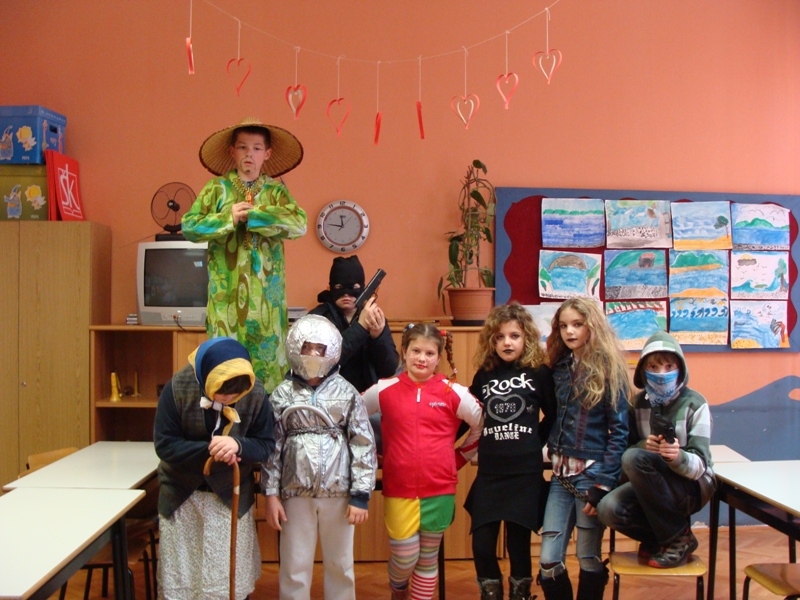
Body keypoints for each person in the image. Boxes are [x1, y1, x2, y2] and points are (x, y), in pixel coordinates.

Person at [182, 116, 307, 393]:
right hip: (225, 300)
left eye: (256, 148)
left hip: (268, 302)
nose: (249, 154)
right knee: (224, 367)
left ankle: (265, 419)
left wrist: (257, 216)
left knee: (269, 370)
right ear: (232, 151)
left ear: (267, 154)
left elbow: (299, 225)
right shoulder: (216, 188)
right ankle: (224, 417)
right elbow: (189, 226)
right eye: (242, 147)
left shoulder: (276, 191)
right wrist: (228, 217)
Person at [362, 323, 484, 600]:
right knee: (405, 557)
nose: (422, 358)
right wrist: (369, 452)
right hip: (399, 489)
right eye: (416, 351)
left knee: (428, 558)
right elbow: (352, 416)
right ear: (404, 352)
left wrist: (459, 458)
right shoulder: (384, 389)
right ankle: (398, 591)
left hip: (440, 489)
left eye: (429, 353)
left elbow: (480, 424)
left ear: (438, 358)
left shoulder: (453, 392)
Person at [262, 314, 377, 600]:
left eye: (319, 349)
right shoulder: (282, 395)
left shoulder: (347, 393)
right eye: (307, 347)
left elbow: (363, 444)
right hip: (294, 494)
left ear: (331, 351)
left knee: (341, 565)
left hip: (339, 494)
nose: (313, 355)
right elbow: (272, 448)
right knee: (294, 565)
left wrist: (360, 494)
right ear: (295, 348)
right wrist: (271, 494)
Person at [154, 337, 275, 600]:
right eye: (222, 393)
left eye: (235, 395)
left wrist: (238, 445)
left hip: (229, 498)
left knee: (227, 581)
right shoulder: (177, 387)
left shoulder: (254, 391)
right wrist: (212, 449)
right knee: (184, 579)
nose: (229, 399)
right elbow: (165, 445)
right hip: (182, 496)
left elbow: (266, 444)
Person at [597, 331, 715, 568]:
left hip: (691, 487)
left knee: (635, 457)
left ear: (680, 369)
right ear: (643, 370)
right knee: (608, 509)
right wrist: (643, 447)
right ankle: (661, 537)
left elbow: (701, 466)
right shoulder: (636, 404)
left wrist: (678, 456)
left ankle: (678, 538)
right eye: (653, 367)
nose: (661, 374)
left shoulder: (696, 404)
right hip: (649, 486)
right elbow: (624, 454)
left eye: (669, 366)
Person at [538, 298, 631, 600]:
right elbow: (553, 416)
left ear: (592, 326)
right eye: (564, 326)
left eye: (577, 324)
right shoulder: (559, 367)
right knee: (548, 561)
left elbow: (620, 433)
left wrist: (603, 483)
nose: (570, 331)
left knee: (587, 557)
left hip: (592, 476)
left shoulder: (609, 369)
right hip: (560, 476)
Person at [465, 303, 557, 600]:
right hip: (490, 474)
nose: (507, 342)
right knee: (482, 544)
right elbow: (467, 416)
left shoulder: (539, 373)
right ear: (491, 341)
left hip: (524, 473)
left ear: (526, 338)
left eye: (514, 336)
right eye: (500, 337)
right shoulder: (484, 375)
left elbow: (554, 415)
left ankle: (521, 595)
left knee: (518, 545)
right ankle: (490, 594)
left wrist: (534, 441)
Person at [310, 255, 399, 392]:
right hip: (328, 395)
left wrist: (378, 338)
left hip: (367, 397)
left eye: (354, 287)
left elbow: (389, 369)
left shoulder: (374, 317)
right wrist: (360, 328)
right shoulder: (318, 318)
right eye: (339, 287)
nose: (346, 294)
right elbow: (323, 363)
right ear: (330, 288)